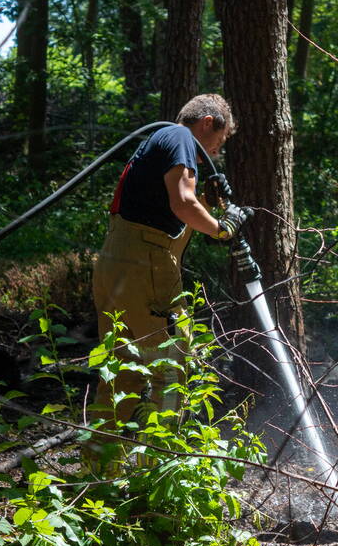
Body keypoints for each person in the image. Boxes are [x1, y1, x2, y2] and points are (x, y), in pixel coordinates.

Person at [87, 93, 252, 471]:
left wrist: (209, 209)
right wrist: (222, 230)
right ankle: (158, 475)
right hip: (145, 263)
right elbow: (182, 203)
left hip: (117, 263)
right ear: (207, 122)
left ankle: (99, 472)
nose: (214, 153)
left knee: (122, 370)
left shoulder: (157, 143)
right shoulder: (180, 137)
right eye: (219, 143)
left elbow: (171, 210)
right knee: (172, 366)